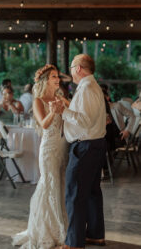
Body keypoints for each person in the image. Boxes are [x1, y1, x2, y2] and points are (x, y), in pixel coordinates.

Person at [12, 64, 69, 248]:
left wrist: (65, 106)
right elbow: (44, 124)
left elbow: (72, 114)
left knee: (60, 187)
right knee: (49, 186)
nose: (57, 79)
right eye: (53, 76)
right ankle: (48, 230)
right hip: (48, 149)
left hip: (62, 147)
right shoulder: (38, 100)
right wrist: (53, 111)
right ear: (45, 81)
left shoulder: (61, 98)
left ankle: (62, 227)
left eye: (57, 76)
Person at [56, 54, 107, 249]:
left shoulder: (86, 89)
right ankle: (95, 235)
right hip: (95, 145)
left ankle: (74, 243)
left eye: (71, 67)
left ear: (78, 68)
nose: (70, 71)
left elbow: (84, 121)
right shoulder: (91, 86)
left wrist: (63, 111)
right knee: (93, 192)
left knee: (74, 194)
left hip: (85, 146)